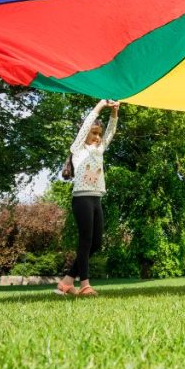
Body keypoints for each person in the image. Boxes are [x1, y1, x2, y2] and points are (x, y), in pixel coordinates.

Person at [55, 99, 119, 297]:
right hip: (81, 199)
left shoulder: (99, 151)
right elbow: (86, 125)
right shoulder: (78, 149)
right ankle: (85, 285)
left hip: (96, 199)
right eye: (94, 133)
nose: (98, 137)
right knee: (85, 241)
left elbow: (110, 132)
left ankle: (66, 282)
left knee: (96, 243)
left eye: (99, 134)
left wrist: (114, 113)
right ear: (85, 135)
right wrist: (100, 106)